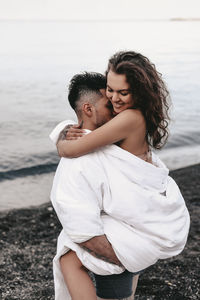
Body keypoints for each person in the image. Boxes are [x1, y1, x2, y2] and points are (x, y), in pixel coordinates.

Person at [51, 59, 189, 299]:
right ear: (88, 108)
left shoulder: (128, 119)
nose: (115, 102)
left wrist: (61, 141)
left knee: (69, 256)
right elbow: (91, 137)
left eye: (122, 92)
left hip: (141, 228)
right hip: (141, 220)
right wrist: (66, 130)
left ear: (137, 91)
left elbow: (75, 148)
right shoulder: (126, 121)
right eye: (110, 92)